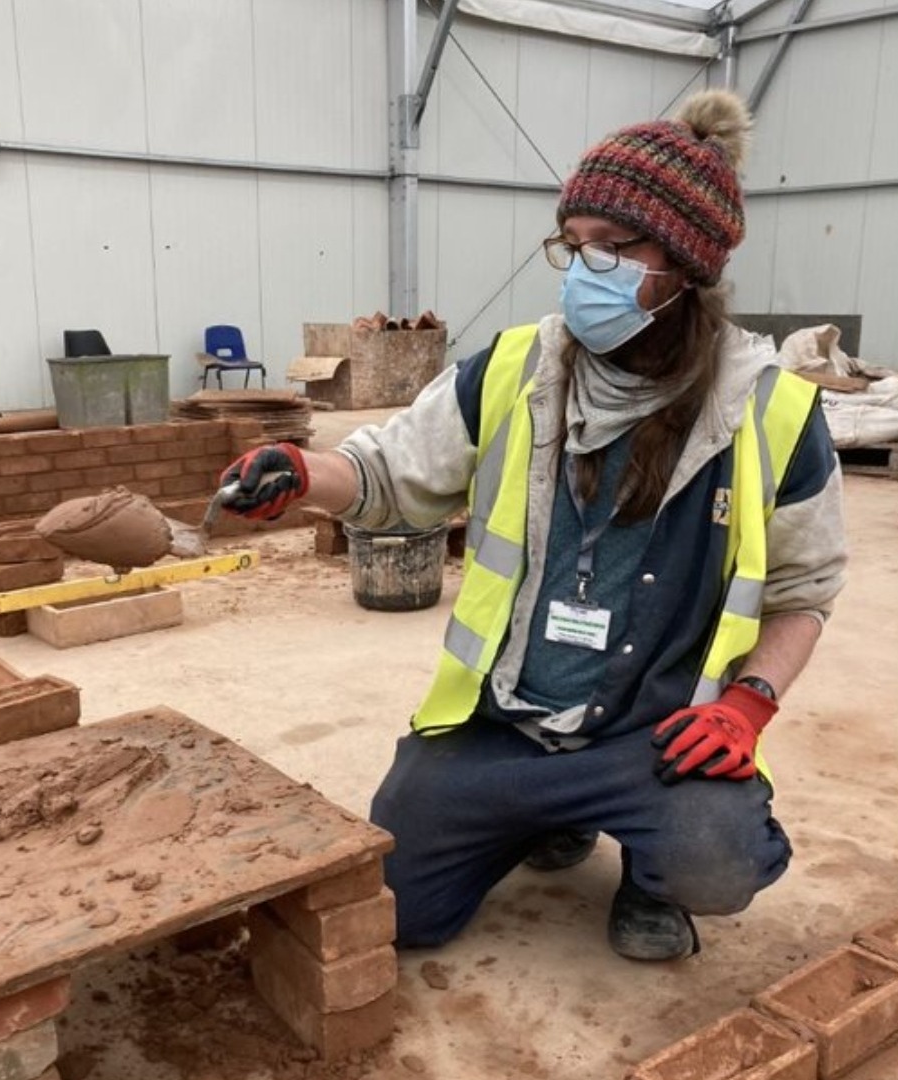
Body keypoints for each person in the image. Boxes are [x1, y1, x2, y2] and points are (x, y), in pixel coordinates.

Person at [218, 90, 847, 961]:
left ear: (688, 260)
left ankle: (649, 871)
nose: (584, 270)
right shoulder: (516, 368)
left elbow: (804, 592)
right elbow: (391, 474)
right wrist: (302, 472)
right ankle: (540, 814)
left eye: (615, 248)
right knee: (400, 911)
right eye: (574, 245)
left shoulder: (772, 412)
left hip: (651, 740)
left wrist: (748, 705)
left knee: (717, 857)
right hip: (505, 725)